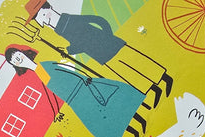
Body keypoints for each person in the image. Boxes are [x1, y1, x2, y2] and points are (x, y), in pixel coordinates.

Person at [24, 0, 173, 107]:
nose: (42, 22)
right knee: (129, 75)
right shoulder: (59, 29)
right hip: (100, 54)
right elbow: (81, 43)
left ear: (47, 11)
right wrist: (69, 50)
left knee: (138, 62)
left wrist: (107, 37)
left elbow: (98, 20)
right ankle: (154, 89)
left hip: (111, 45)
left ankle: (165, 78)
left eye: (40, 17)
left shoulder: (69, 20)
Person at [5, 45, 148, 137]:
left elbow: (67, 71)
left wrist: (84, 78)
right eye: (15, 60)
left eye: (18, 56)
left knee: (110, 103)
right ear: (15, 65)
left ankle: (142, 121)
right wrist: (56, 112)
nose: (18, 59)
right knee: (100, 121)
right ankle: (134, 132)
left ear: (23, 53)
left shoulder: (45, 65)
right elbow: (52, 93)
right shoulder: (39, 74)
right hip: (75, 100)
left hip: (83, 87)